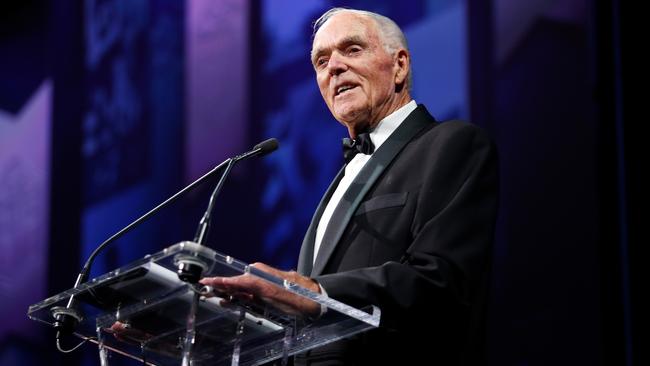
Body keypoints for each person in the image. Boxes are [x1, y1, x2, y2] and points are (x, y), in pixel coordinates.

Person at [201, 7, 499, 365]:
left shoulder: (452, 144)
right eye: (321, 61)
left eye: (352, 50)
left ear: (400, 65)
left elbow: (442, 282)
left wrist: (315, 292)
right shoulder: (342, 177)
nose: (334, 67)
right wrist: (206, 331)